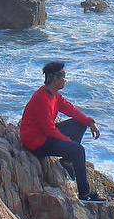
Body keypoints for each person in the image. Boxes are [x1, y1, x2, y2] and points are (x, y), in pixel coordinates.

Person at [20, 61, 104, 202]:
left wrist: (89, 122)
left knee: (79, 123)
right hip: (36, 143)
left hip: (44, 134)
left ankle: (67, 162)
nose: (65, 79)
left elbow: (70, 109)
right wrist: (67, 141)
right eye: (63, 76)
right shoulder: (42, 99)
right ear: (55, 79)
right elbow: (49, 130)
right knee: (78, 150)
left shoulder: (54, 95)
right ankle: (84, 195)